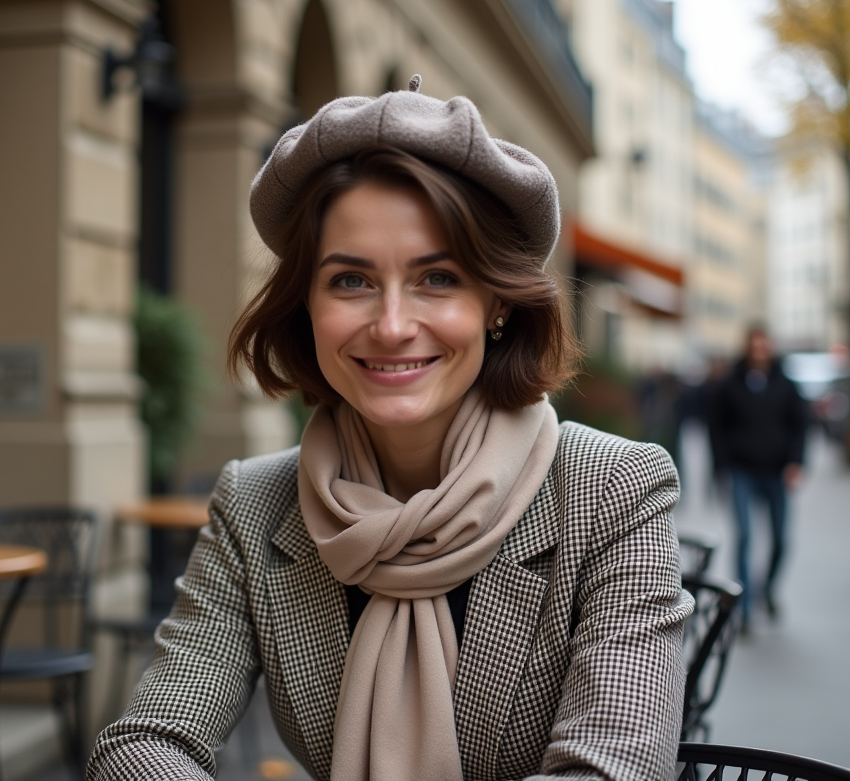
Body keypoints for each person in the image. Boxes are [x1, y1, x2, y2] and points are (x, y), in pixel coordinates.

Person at [87, 77, 692, 781]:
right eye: (351, 281)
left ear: (496, 304)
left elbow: (613, 770)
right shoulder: (254, 504)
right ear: (306, 307)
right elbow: (144, 742)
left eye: (437, 279)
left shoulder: (615, 490)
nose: (394, 325)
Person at [707, 326, 807, 631]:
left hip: (777, 472)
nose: (760, 351)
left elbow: (799, 426)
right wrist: (721, 465)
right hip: (742, 470)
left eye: (765, 346)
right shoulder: (730, 385)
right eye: (755, 346)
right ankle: (745, 608)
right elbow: (717, 427)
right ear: (748, 348)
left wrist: (796, 463)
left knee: (780, 539)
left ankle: (768, 588)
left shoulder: (786, 385)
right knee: (746, 537)